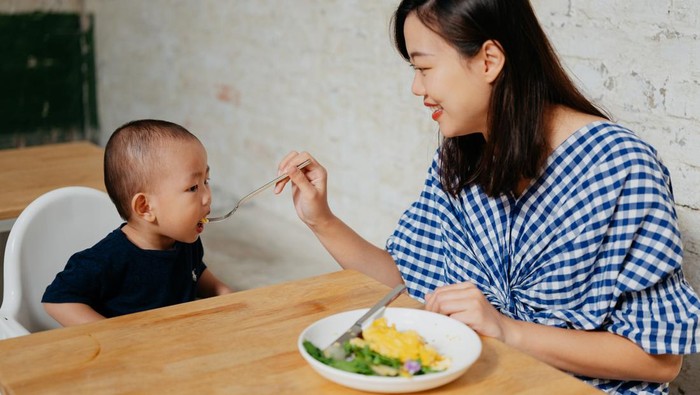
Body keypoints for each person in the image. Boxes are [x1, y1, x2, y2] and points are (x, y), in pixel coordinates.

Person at [274, 0, 700, 394]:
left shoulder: (618, 166)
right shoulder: (462, 155)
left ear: (489, 60)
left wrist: (506, 329)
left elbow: (660, 361)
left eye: (423, 67)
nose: (416, 88)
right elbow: (407, 281)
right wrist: (321, 219)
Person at [42, 119, 232, 326]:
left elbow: (195, 271)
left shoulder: (186, 241)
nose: (207, 197)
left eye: (206, 181)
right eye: (193, 188)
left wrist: (221, 292)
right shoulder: (108, 259)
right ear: (145, 207)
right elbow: (57, 300)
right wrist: (112, 335)